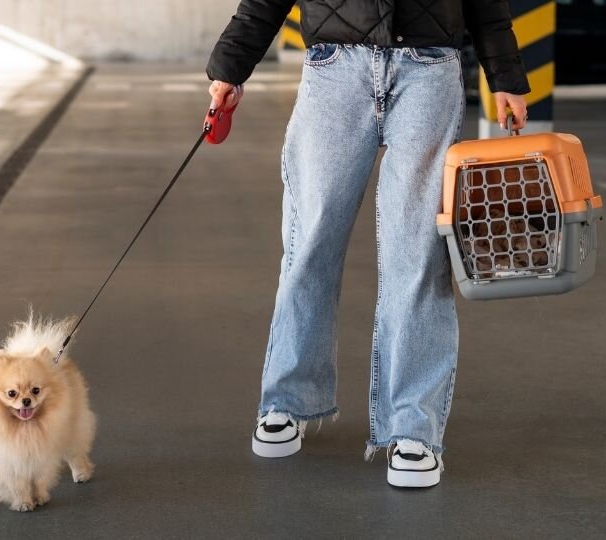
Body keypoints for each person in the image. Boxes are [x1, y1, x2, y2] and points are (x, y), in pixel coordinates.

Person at [205, 0, 530, 488]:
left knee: (418, 252)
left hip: (429, 69)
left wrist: (504, 76)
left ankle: (413, 427)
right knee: (309, 241)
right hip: (335, 69)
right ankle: (287, 401)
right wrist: (230, 67)